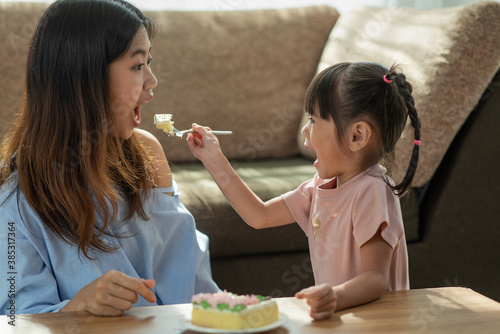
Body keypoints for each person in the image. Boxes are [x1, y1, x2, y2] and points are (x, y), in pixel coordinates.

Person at [0, 0, 218, 316]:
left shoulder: (146, 154)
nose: (152, 81)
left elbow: (192, 279)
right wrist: (78, 306)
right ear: (86, 77)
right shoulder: (14, 199)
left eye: (149, 63)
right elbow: (13, 319)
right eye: (137, 66)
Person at [187, 62, 420, 320]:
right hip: (344, 319)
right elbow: (258, 215)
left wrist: (335, 296)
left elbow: (375, 278)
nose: (304, 131)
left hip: (381, 325)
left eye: (313, 119)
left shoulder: (372, 190)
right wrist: (213, 158)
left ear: (357, 136)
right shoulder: (318, 188)